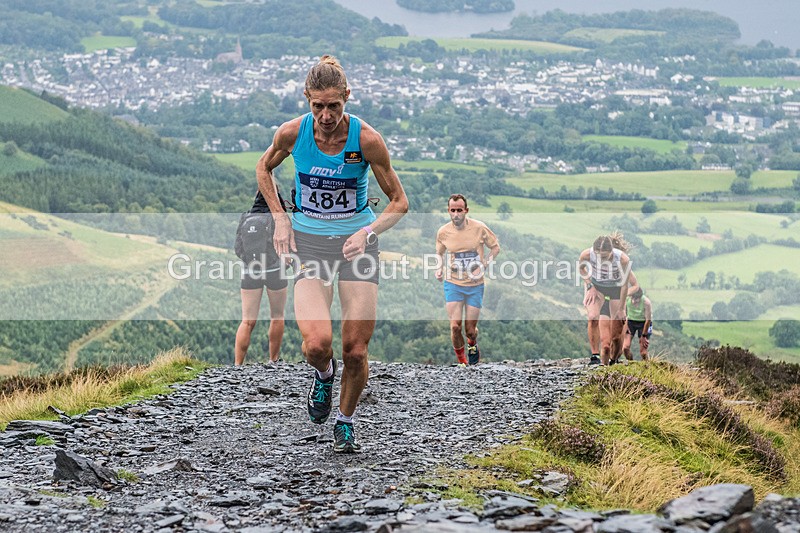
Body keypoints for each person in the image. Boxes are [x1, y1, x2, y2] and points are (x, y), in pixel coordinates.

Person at [255, 55, 408, 453]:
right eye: (317, 106)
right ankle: (324, 375)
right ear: (307, 99)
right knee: (317, 344)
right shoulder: (292, 134)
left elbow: (398, 202)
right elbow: (263, 168)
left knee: (355, 349)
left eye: (333, 106)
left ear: (347, 98)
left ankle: (345, 421)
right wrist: (282, 219)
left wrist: (368, 231)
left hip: (357, 245)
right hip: (309, 244)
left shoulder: (366, 140)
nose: (325, 115)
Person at [435, 194, 500, 365]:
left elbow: (495, 248)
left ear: (466, 211)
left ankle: (472, 343)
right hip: (453, 283)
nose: (456, 214)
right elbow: (440, 253)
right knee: (455, 326)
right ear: (449, 211)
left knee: (470, 330)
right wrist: (439, 269)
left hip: (475, 285)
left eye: (459, 210)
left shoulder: (479, 228)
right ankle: (462, 362)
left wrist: (484, 265)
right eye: (453, 211)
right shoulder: (443, 232)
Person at [234, 191, 288, 366]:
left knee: (247, 320)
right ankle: (273, 360)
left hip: (250, 271)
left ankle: (238, 365)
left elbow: (238, 248)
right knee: (277, 316)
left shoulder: (246, 217)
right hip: (275, 270)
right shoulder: (279, 218)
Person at [579, 233, 632, 366]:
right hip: (596, 287)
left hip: (616, 288)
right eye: (598, 256)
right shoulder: (586, 254)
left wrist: (621, 309)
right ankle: (595, 356)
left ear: (611, 252)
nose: (601, 259)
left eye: (604, 257)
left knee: (616, 332)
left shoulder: (623, 259)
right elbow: (581, 269)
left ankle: (614, 359)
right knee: (592, 317)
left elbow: (625, 285)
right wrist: (590, 285)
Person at [623, 287, 652, 361]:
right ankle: (630, 362)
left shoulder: (646, 302)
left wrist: (644, 335)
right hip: (630, 322)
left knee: (643, 353)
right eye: (632, 298)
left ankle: (646, 365)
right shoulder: (627, 299)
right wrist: (626, 327)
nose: (634, 301)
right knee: (625, 348)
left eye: (636, 299)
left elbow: (648, 320)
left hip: (643, 323)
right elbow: (624, 315)